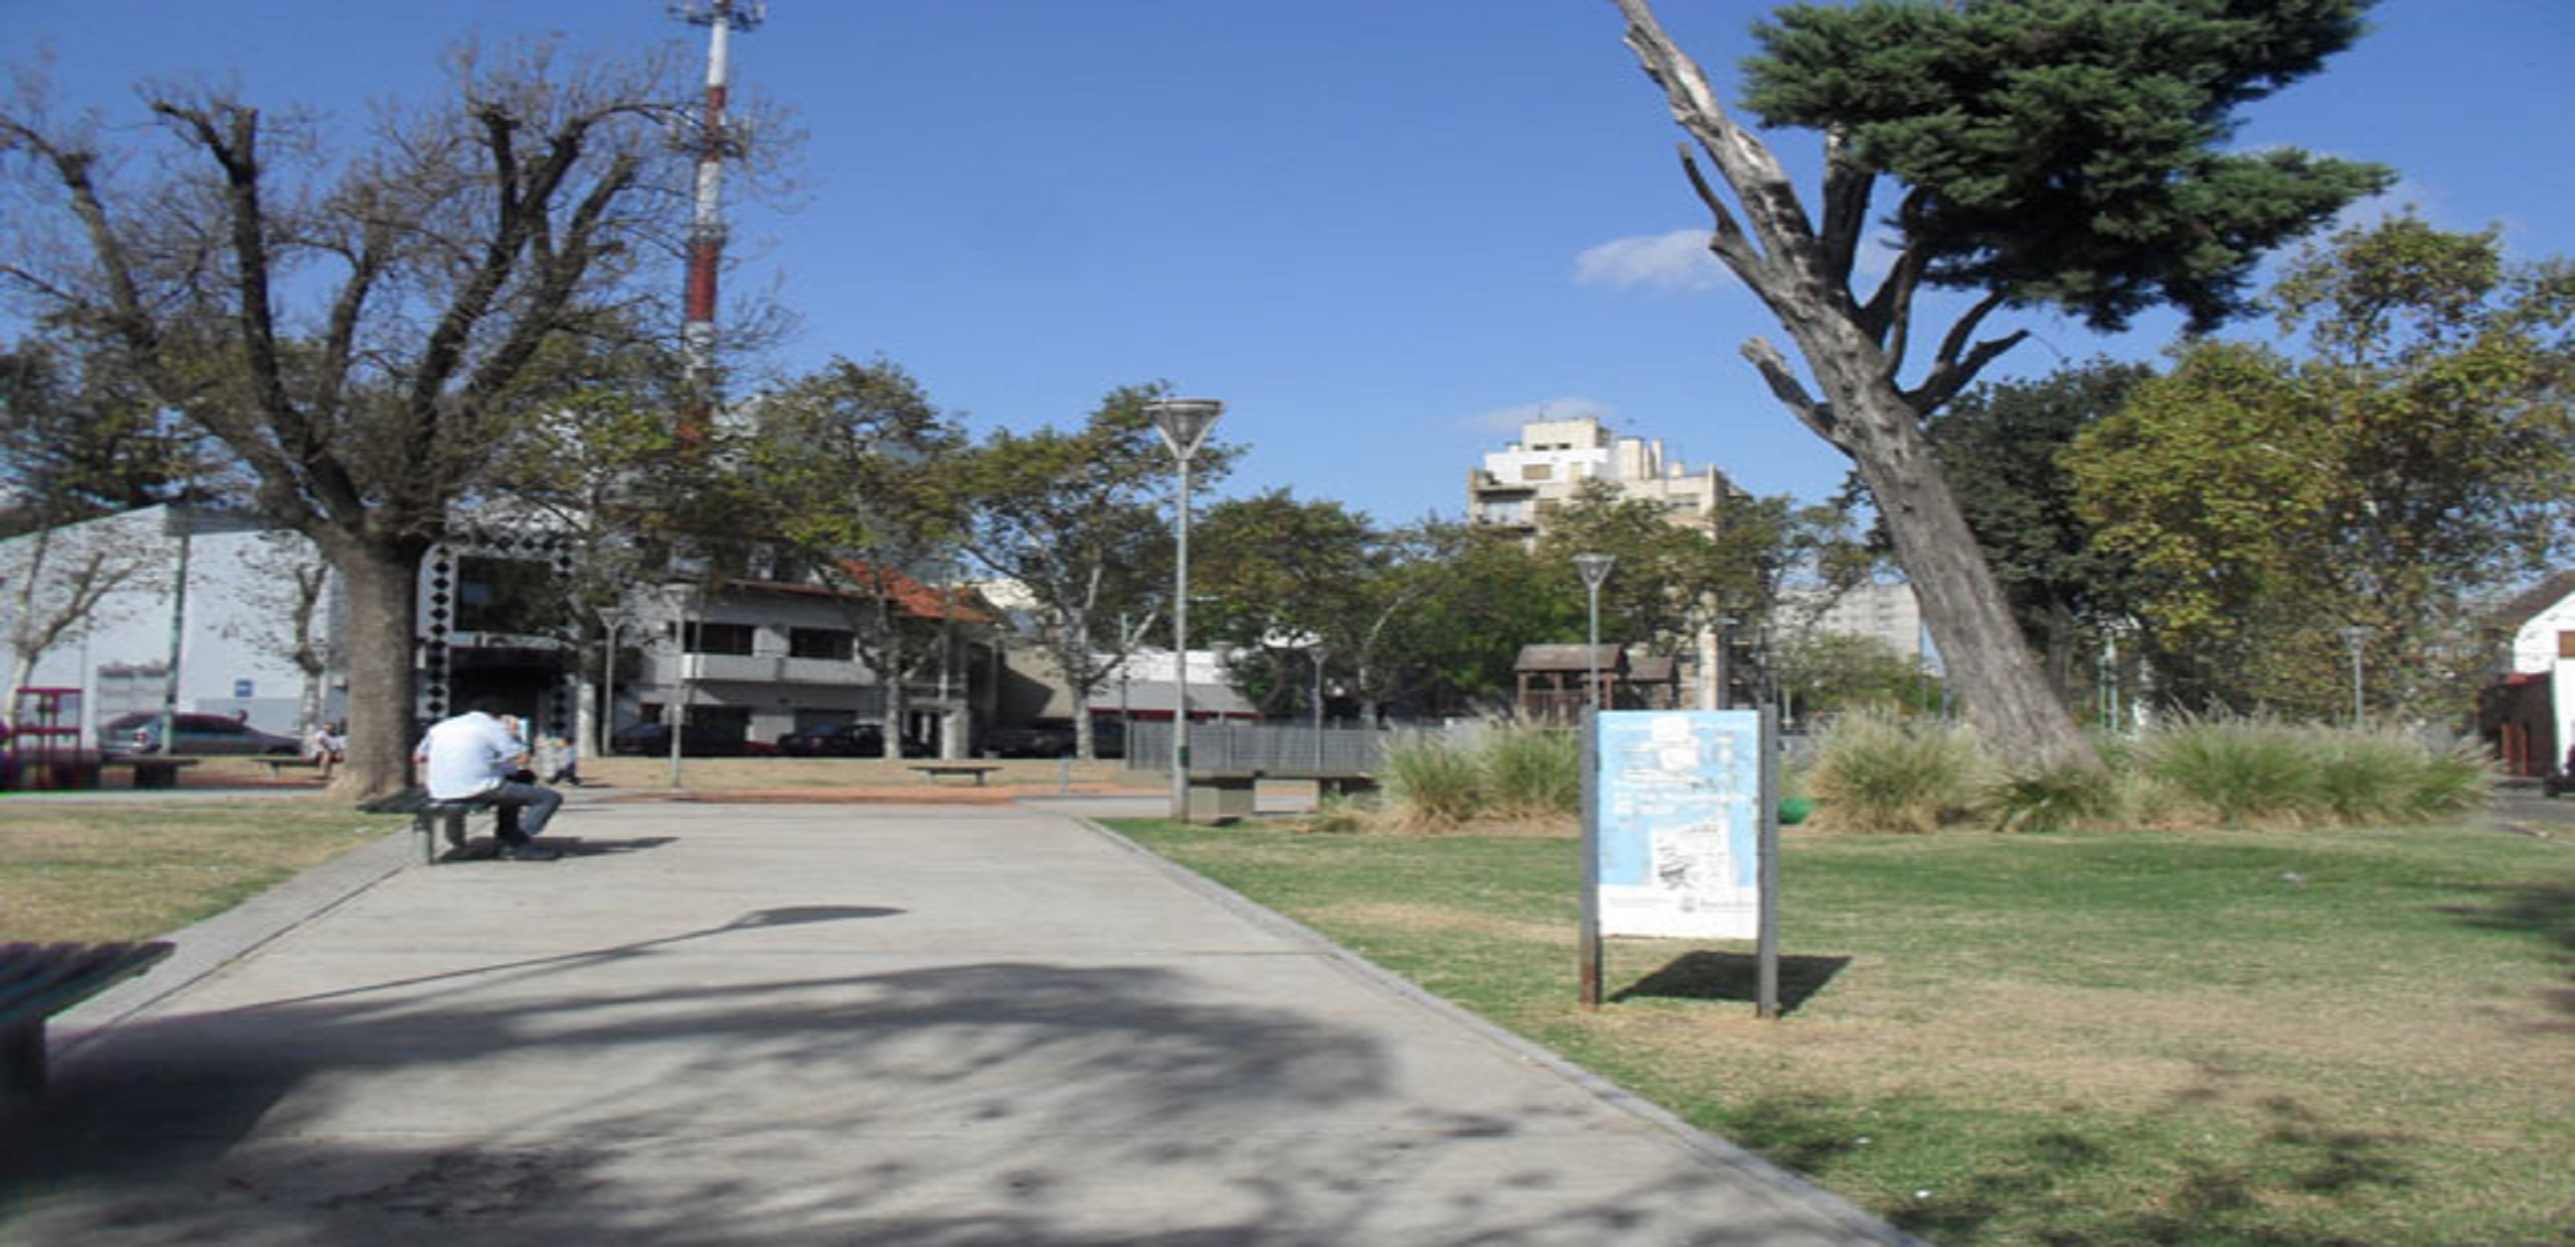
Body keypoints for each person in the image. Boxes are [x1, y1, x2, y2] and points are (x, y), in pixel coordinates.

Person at [415, 700, 564, 861]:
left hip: (439, 789)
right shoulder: (494, 727)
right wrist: (514, 735)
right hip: (477, 789)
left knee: (515, 787)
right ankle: (517, 844)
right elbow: (522, 758)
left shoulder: (441, 726)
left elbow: (419, 757)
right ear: (498, 715)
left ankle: (507, 833)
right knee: (548, 798)